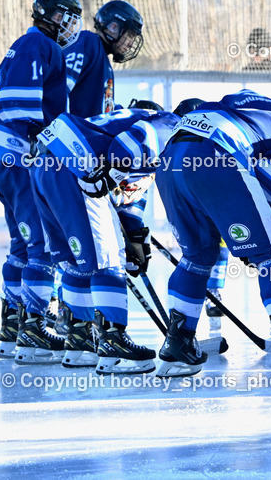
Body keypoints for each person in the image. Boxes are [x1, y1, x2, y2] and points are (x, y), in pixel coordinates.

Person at [154, 91, 271, 385]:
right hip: (215, 157)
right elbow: (264, 187)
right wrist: (260, 224)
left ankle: (177, 347)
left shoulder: (247, 108)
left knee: (196, 257)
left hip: (172, 158)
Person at [31, 103, 179, 372]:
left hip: (45, 163)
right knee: (108, 259)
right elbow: (135, 141)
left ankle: (80, 341)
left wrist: (134, 236)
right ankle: (113, 343)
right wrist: (107, 173)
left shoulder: (112, 125)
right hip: (77, 167)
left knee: (78, 262)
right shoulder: (170, 123)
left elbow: (130, 195)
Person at [0, 0, 81, 360]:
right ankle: (34, 330)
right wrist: (34, 147)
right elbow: (19, 101)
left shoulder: (22, 45)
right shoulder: (40, 46)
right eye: (67, 16)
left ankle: (12, 325)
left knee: (21, 245)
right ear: (51, 15)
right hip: (22, 160)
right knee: (42, 244)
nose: (72, 25)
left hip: (1, 160)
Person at [65, 0, 144, 117]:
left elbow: (103, 110)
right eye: (130, 35)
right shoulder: (89, 43)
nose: (131, 44)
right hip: (72, 133)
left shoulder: (103, 60)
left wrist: (131, 113)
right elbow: (59, 86)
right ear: (113, 27)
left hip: (86, 133)